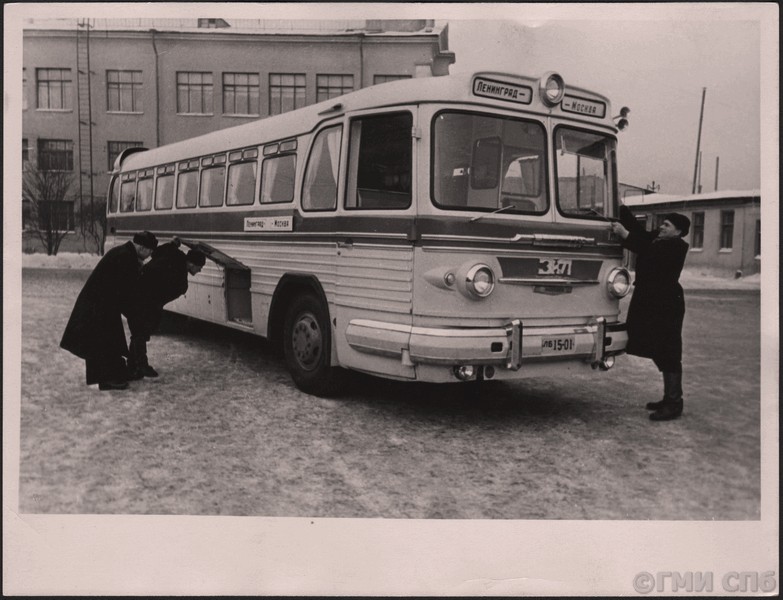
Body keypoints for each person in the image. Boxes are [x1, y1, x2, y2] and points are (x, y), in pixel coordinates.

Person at [611, 205, 691, 421]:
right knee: (658, 348)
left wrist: (625, 235)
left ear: (678, 231)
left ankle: (674, 402)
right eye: (663, 223)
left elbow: (646, 249)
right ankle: (669, 398)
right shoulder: (659, 239)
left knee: (669, 350)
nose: (662, 227)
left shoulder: (676, 247)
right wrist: (621, 208)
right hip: (652, 302)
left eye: (667, 225)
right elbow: (640, 232)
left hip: (666, 304)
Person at [60, 231, 158, 391]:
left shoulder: (124, 253)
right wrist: (135, 315)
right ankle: (107, 380)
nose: (149, 255)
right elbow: (126, 292)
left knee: (109, 340)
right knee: (103, 342)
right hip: (98, 305)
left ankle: (114, 375)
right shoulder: (126, 257)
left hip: (101, 303)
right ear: (142, 248)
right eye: (150, 251)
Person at [126, 239, 206, 379]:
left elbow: (156, 252)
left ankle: (133, 366)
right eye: (199, 267)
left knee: (139, 332)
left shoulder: (174, 254)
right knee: (141, 332)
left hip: (136, 289)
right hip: (145, 299)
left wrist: (172, 245)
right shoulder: (181, 281)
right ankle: (140, 365)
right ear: (192, 264)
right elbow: (162, 297)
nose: (199, 270)